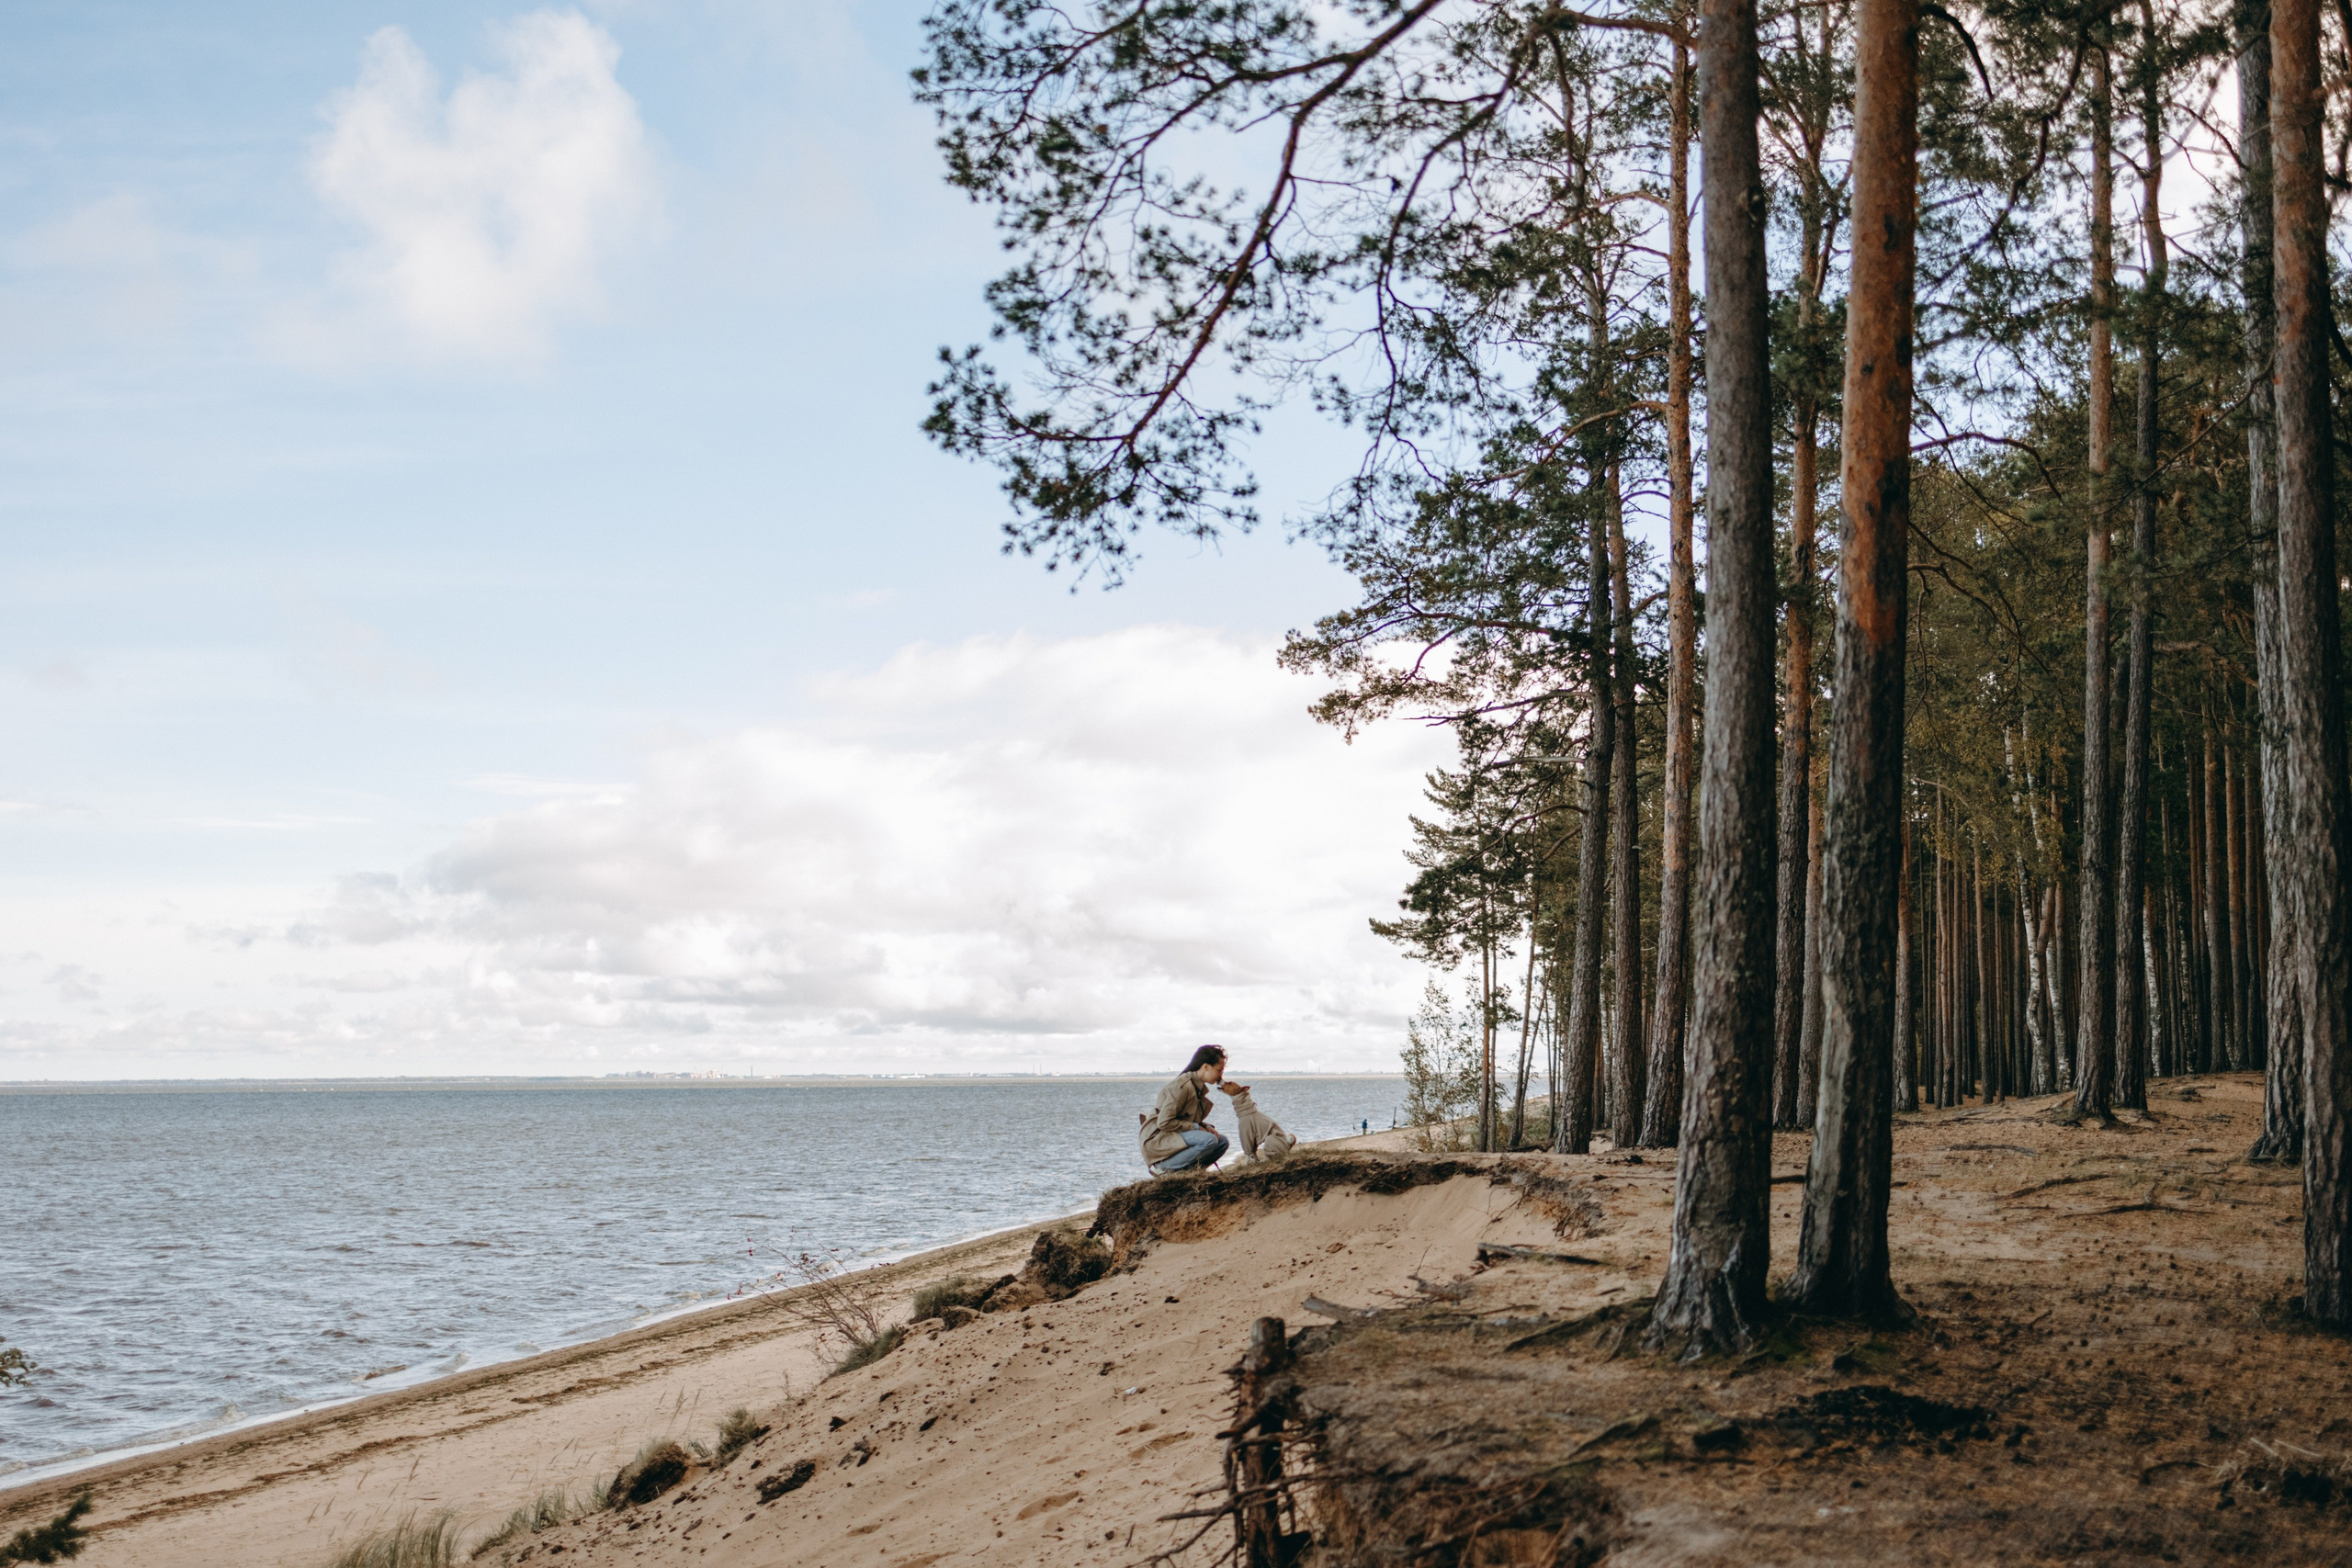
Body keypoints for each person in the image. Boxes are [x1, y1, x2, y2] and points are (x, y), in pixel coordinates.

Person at [1139, 1045, 1230, 1174]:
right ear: (1206, 1067)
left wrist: (1206, 1127)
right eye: (1219, 1070)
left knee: (1222, 1142)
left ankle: (1190, 1172)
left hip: (1173, 1133)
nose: (1221, 1076)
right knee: (1209, 1140)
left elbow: (1185, 1118)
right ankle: (1162, 1168)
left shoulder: (1197, 1087)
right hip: (1159, 1138)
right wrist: (1197, 1128)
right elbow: (1164, 1122)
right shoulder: (1182, 1086)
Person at [1219, 1078, 1295, 1162]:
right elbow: (1253, 1138)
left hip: (1279, 1143)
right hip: (1280, 1142)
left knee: (1254, 1136)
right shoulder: (1247, 1113)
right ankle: (1255, 1159)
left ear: (1239, 1091)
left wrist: (1247, 1155)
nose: (1226, 1084)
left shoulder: (1246, 1116)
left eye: (1229, 1084)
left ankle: (1267, 1158)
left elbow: (1246, 1137)